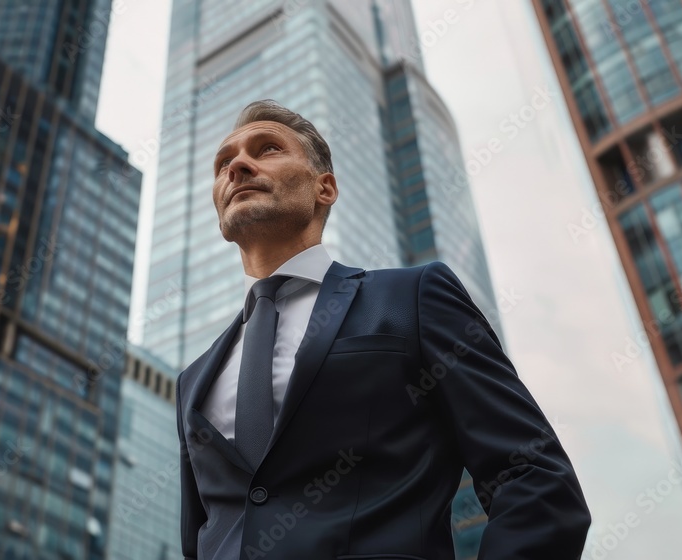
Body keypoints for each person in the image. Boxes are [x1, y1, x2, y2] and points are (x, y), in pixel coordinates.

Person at [174, 99, 591, 560]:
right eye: (223, 163)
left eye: (267, 149)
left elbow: (533, 475)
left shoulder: (413, 297)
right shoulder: (192, 381)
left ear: (324, 188)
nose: (237, 166)